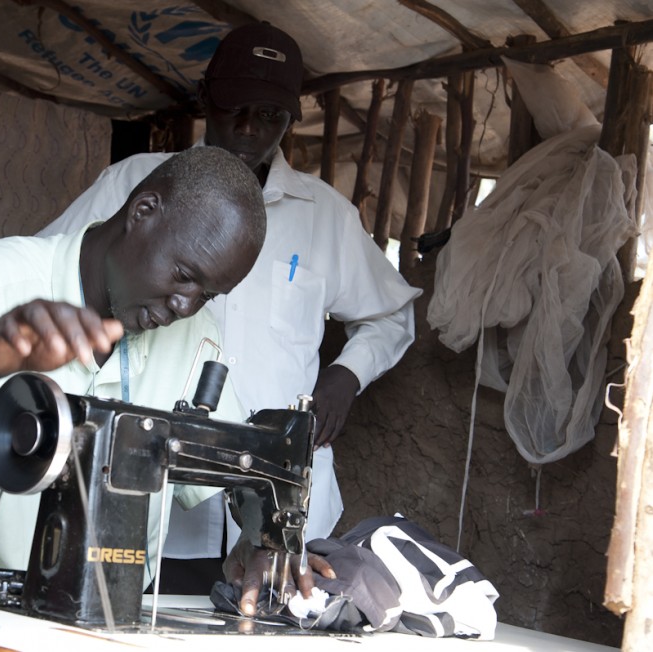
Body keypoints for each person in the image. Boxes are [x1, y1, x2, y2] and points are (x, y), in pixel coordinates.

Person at [0, 147, 332, 652]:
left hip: (80, 622)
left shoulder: (194, 339)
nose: (184, 305)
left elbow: (238, 465)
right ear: (143, 211)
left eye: (207, 295)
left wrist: (259, 537)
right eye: (183, 276)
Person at [34, 22, 422, 604]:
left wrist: (346, 375)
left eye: (267, 115)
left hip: (272, 514)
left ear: (291, 118)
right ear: (204, 98)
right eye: (233, 108)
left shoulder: (324, 217)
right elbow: (38, 273)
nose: (247, 128)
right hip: (148, 499)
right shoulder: (136, 183)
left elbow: (392, 315)